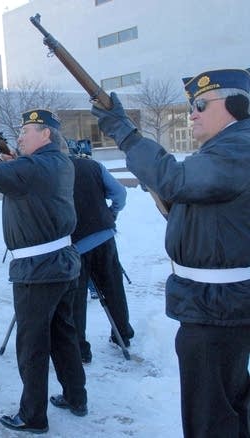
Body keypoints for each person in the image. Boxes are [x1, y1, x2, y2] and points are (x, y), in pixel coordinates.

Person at [91, 68, 250, 437]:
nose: (191, 113)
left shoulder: (238, 147)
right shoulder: (228, 147)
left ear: (235, 105)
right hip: (216, 303)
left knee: (209, 413)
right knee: (227, 403)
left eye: (199, 104)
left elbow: (175, 181)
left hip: (217, 308)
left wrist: (125, 133)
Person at [0, 108, 86, 433]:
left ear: (46, 135)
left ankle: (32, 416)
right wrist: (14, 162)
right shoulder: (57, 162)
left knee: (32, 345)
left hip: (37, 270)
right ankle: (75, 397)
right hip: (61, 262)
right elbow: (24, 180)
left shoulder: (34, 167)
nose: (21, 136)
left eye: (27, 131)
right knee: (63, 334)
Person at [67, 143, 133, 364]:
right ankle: (122, 333)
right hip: (103, 236)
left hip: (74, 243)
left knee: (76, 298)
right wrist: (111, 213)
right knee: (113, 287)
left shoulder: (53, 171)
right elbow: (120, 193)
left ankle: (80, 348)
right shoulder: (92, 165)